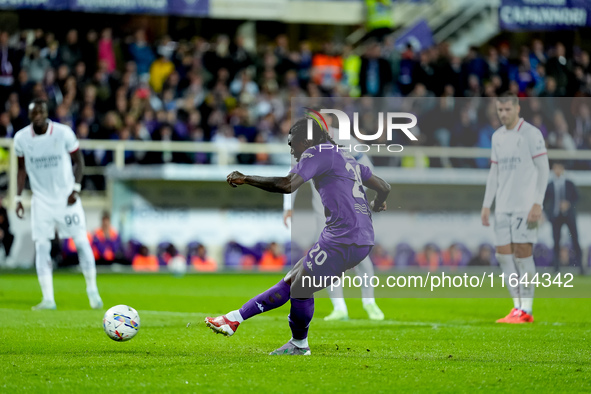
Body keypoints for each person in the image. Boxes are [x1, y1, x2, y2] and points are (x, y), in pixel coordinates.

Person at [205, 117, 391, 355]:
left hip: (342, 237)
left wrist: (246, 178)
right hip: (362, 237)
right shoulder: (344, 156)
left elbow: (287, 184)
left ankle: (299, 344)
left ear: (306, 141)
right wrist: (378, 203)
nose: (291, 149)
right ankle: (233, 319)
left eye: (293, 144)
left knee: (300, 289)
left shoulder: (316, 153)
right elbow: (384, 186)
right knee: (295, 277)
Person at [283, 115, 385, 321]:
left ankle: (369, 302)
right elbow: (292, 176)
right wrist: (288, 207)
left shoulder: (346, 141)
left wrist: (373, 195)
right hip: (324, 214)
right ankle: (339, 306)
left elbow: (366, 167)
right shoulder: (308, 146)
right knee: (327, 261)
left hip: (351, 210)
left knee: (362, 255)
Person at [14, 98, 103, 310]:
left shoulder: (63, 133)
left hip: (66, 198)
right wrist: (18, 198)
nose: (38, 116)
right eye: (34, 113)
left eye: (41, 112)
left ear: (47, 113)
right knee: (42, 245)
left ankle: (92, 290)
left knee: (81, 241)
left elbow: (78, 161)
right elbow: (21, 169)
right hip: (41, 201)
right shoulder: (21, 138)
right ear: (29, 117)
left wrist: (76, 189)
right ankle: (48, 299)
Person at [481, 93, 549, 324]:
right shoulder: (497, 137)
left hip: (524, 205)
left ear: (517, 108)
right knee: (503, 256)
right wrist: (486, 205)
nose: (503, 114)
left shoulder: (531, 134)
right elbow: (494, 173)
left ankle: (527, 309)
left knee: (522, 255)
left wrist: (537, 202)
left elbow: (544, 169)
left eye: (507, 109)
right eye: (500, 110)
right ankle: (517, 307)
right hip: (503, 206)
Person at [544, 162, 583, 274]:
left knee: (575, 239)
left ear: (562, 169)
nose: (557, 170)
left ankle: (581, 267)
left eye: (559, 168)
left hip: (569, 216)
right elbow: (544, 201)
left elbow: (577, 197)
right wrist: (547, 214)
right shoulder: (550, 185)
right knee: (556, 242)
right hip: (556, 217)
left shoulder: (569, 183)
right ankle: (556, 267)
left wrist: (568, 204)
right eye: (555, 168)